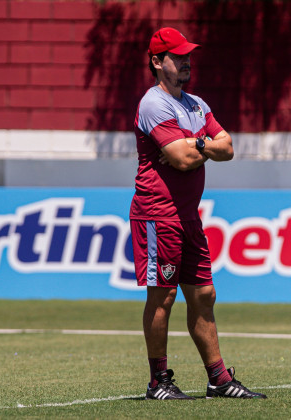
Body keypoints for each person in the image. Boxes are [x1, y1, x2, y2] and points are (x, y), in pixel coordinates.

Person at [130, 27, 266, 400]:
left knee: (204, 294)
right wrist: (202, 146)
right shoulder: (153, 103)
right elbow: (182, 159)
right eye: (178, 56)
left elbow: (228, 147)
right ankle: (158, 381)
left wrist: (199, 142)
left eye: (188, 55)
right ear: (157, 62)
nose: (187, 61)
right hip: (158, 214)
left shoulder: (196, 104)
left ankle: (219, 379)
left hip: (188, 216)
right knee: (163, 297)